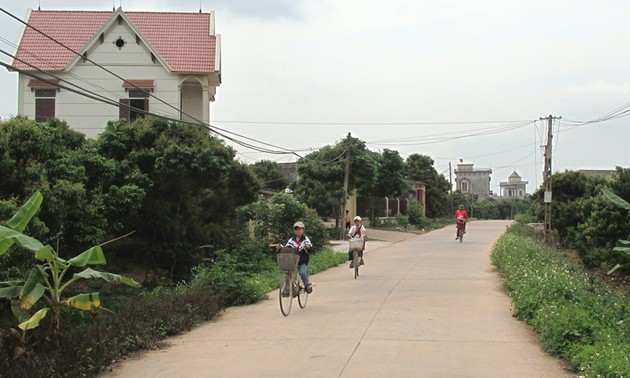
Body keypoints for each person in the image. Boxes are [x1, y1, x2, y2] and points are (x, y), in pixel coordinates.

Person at [284, 221, 313, 293]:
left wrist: (307, 247)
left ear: (303, 230)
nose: (298, 231)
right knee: (287, 273)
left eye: (300, 229)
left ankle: (307, 285)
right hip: (292, 260)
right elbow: (287, 246)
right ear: (294, 230)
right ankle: (287, 290)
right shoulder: (291, 240)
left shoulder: (305, 239)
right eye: (296, 229)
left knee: (302, 272)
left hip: (302, 260)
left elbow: (309, 246)